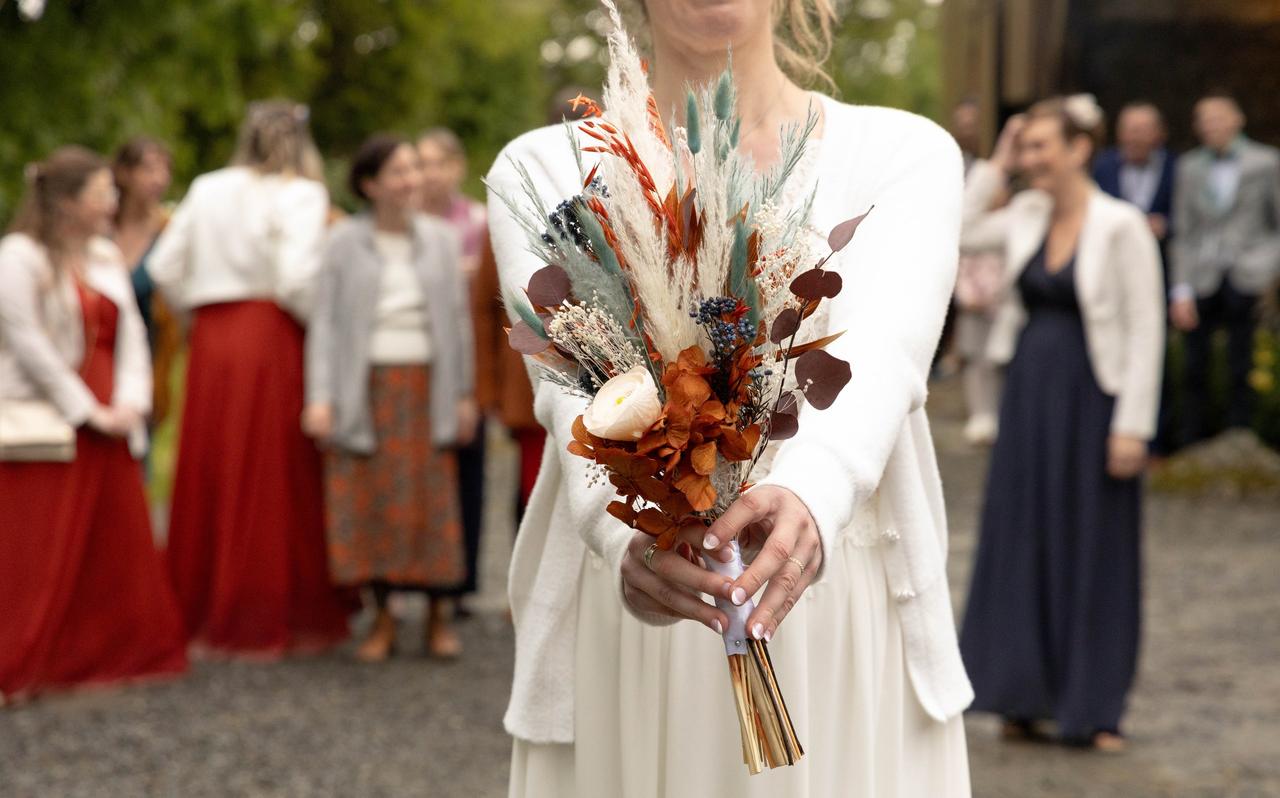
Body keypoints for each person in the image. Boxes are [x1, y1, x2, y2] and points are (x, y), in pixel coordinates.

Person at [489, 2, 973, 795]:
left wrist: (812, 497)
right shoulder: (541, 167)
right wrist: (628, 546)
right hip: (645, 582)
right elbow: (567, 386)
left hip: (840, 588)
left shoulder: (904, 152)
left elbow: (886, 355)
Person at [957, 97, 1165, 752]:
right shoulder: (1023, 212)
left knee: (1095, 546)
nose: (1030, 159)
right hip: (1029, 393)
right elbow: (955, 232)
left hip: (1094, 399)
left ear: (1080, 149)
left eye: (1042, 145)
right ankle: (1021, 696)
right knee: (1023, 538)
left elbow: (1145, 332)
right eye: (1026, 148)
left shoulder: (1122, 225)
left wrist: (1133, 425)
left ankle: (1094, 707)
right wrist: (995, 163)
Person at [149, 100, 350, 657]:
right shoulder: (302, 192)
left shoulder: (207, 186)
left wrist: (196, 321)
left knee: (213, 466)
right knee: (271, 471)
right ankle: (268, 609)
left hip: (214, 339)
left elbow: (163, 266)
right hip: (271, 338)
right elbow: (294, 279)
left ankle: (202, 611)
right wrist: (326, 328)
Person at [0, 147, 188, 700]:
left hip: (111, 408)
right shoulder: (19, 256)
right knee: (38, 543)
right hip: (55, 412)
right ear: (66, 202)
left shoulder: (105, 257)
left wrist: (131, 401)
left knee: (111, 541)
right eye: (101, 193)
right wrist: (87, 411)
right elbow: (25, 341)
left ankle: (98, 650)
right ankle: (28, 656)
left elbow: (131, 330)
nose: (112, 203)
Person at [304, 135, 475, 661]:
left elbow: (457, 324)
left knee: (432, 500)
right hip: (366, 387)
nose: (411, 181)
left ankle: (438, 617)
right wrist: (320, 396)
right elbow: (325, 324)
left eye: (413, 171)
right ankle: (381, 618)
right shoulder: (343, 242)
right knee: (371, 500)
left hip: (429, 386)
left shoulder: (442, 240)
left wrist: (465, 394)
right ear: (370, 185)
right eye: (398, 173)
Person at [1170, 94, 1280, 445]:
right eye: (1204, 119)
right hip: (1203, 274)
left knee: (1241, 360)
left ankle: (1240, 440)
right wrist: (1181, 288)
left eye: (1218, 118)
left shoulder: (1266, 162)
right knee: (1193, 364)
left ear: (1238, 120)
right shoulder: (1189, 167)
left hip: (1247, 272)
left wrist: (1268, 265)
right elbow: (1183, 232)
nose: (1211, 126)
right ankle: (1192, 443)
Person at [417, 128, 487, 615]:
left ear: (457, 168)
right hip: (418, 356)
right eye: (421, 163)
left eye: (438, 162)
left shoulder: (478, 221)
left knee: (467, 465)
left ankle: (460, 582)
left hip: (469, 359)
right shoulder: (407, 225)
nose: (429, 173)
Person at [1093, 102, 1179, 454]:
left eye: (1143, 128)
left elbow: (1186, 217)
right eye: (1129, 128)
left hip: (1162, 271)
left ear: (1159, 133)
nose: (1135, 136)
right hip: (1111, 277)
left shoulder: (1177, 168)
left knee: (1154, 352)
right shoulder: (1102, 167)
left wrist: (1167, 226)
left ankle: (1154, 442)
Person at [111, 137, 182, 430]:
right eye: (149, 169)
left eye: (165, 170)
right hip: (98, 345)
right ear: (124, 174)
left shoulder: (170, 230)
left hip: (148, 352)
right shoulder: (100, 227)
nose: (160, 179)